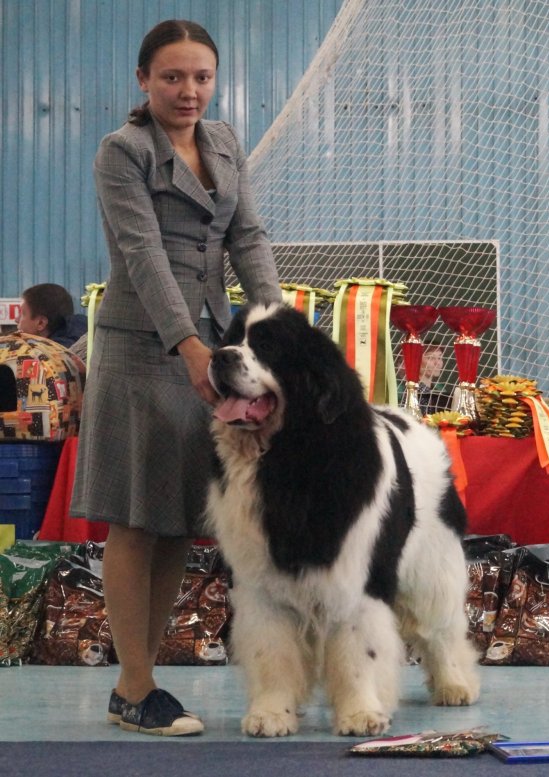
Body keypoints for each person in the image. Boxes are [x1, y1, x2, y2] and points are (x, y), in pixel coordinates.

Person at [69, 19, 281, 737]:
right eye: (172, 77)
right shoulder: (121, 153)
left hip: (212, 352)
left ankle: (141, 676)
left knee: (178, 523)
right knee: (136, 518)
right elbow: (143, 254)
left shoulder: (223, 143)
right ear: (143, 81)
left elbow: (247, 236)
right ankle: (134, 685)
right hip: (141, 351)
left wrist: (272, 324)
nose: (188, 91)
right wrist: (191, 347)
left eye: (201, 78)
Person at [17, 283, 88, 348]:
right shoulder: (87, 343)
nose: (16, 319)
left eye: (23, 314)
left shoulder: (47, 358)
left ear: (41, 323)